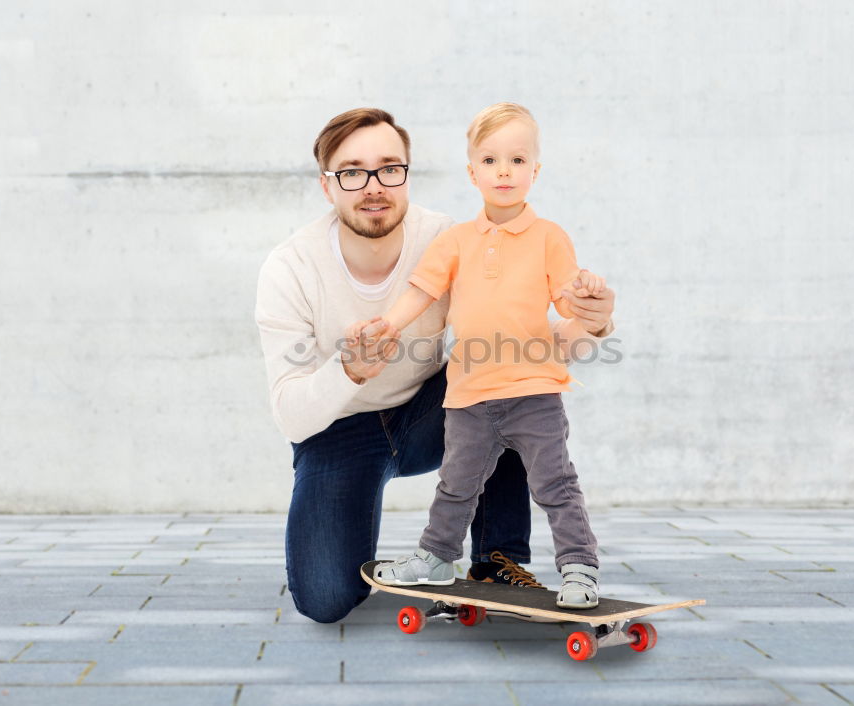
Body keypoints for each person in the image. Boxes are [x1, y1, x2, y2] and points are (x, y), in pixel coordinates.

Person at [255, 107, 615, 623]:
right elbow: (291, 415)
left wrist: (593, 324)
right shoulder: (290, 267)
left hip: (433, 410)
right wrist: (350, 371)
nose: (373, 185)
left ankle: (496, 561)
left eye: (389, 168)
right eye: (352, 172)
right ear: (327, 185)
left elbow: (529, 335)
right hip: (337, 431)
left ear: (406, 174)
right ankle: (426, 555)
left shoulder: (447, 237)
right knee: (325, 598)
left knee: (511, 387)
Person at [369, 103, 605, 608]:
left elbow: (568, 304)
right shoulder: (456, 241)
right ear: (472, 171)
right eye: (491, 160)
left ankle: (580, 569)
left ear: (535, 171)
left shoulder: (549, 238)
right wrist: (388, 324)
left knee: (556, 485)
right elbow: (423, 291)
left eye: (518, 161)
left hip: (534, 393)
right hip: (468, 396)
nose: (504, 171)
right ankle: (435, 557)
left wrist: (587, 296)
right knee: (455, 487)